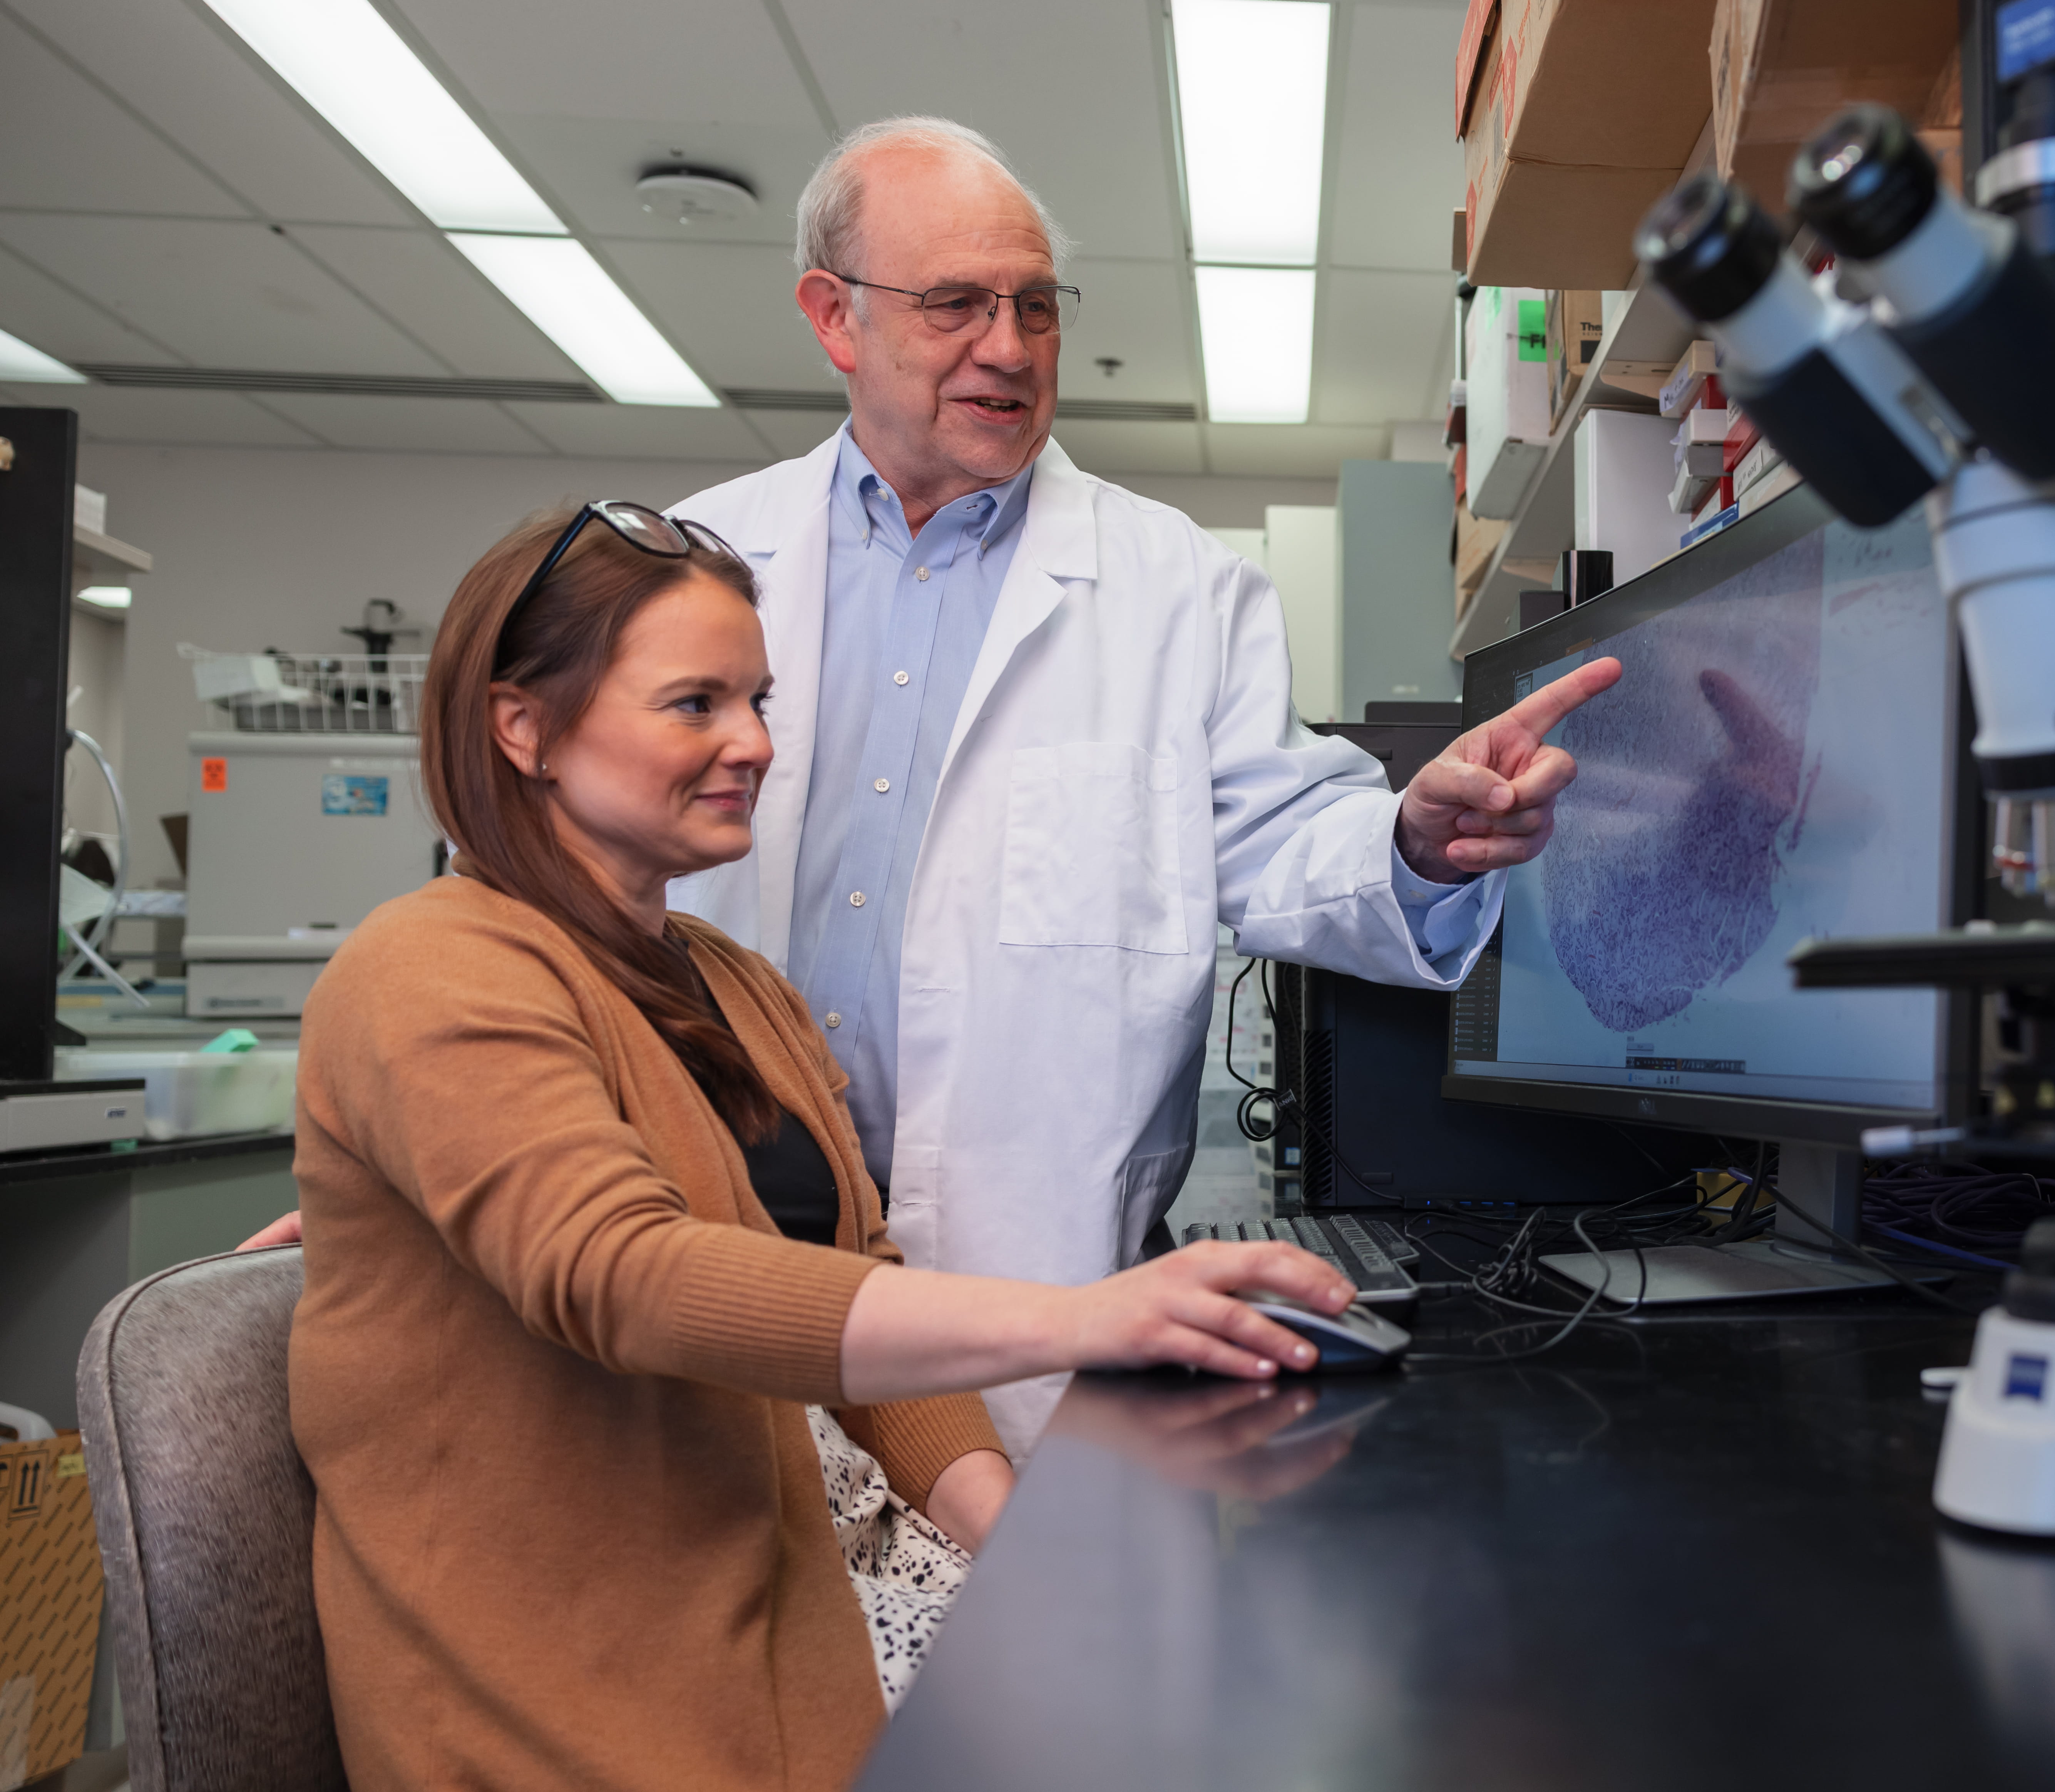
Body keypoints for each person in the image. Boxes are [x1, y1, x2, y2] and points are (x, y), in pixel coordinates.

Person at [285, 501, 1364, 1792]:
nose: (752, 744)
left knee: (1239, 1691)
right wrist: (1078, 1323)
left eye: (757, 701)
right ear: (523, 728)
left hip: (805, 1578)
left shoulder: (734, 986)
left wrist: (1011, 1559)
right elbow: (625, 1276)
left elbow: (865, 1293)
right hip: (603, 1675)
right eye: (695, 705)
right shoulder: (428, 968)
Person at [664, 117, 1618, 1450]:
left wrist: (1409, 839)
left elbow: (1278, 837)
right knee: (737, 1622)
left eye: (1035, 306)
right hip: (721, 1231)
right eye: (954, 305)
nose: (1007, 346)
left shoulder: (1178, 586)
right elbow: (555, 893)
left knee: (1017, 1635)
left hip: (1030, 1267)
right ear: (835, 317)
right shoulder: (696, 562)